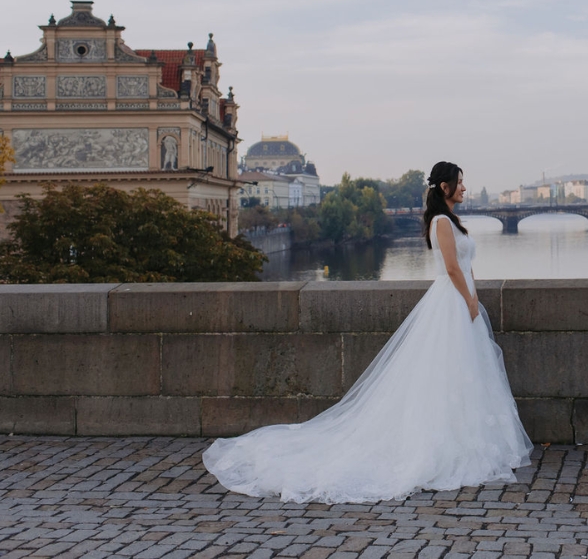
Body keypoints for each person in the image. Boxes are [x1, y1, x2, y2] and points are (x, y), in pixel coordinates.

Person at [203, 161, 533, 502]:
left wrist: (473, 296)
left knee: (460, 374)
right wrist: (470, 301)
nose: (464, 188)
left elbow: (465, 266)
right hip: (453, 302)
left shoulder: (453, 221)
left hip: (463, 302)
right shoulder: (441, 223)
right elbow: (451, 268)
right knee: (447, 373)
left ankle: (464, 438)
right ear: (445, 188)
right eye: (460, 183)